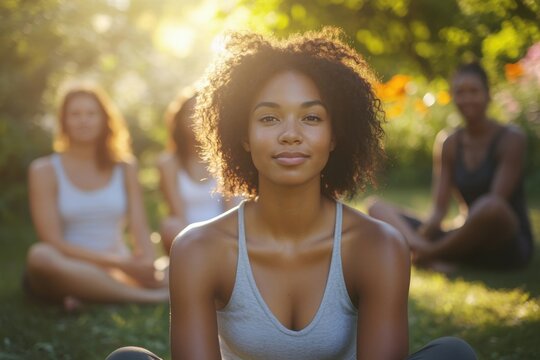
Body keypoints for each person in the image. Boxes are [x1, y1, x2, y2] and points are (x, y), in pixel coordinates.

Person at [106, 28, 476, 359]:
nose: (290, 133)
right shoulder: (198, 249)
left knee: (453, 354)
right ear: (243, 137)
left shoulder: (377, 245)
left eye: (311, 117)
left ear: (335, 136)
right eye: (269, 118)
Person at [368, 62, 534, 271]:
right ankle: (423, 248)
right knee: (376, 207)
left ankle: (428, 254)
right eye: (460, 93)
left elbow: (496, 202)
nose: (467, 99)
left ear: (488, 94)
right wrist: (423, 234)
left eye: (473, 91)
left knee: (490, 206)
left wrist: (436, 243)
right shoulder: (449, 142)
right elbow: (439, 210)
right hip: (461, 234)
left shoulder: (511, 138)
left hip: (502, 239)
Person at [25, 85, 168, 310]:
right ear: (64, 121)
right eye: (75, 114)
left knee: (174, 268)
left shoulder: (125, 166)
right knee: (40, 256)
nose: (84, 120)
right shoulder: (43, 170)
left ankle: (91, 295)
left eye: (91, 114)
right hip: (72, 267)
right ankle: (146, 298)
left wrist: (146, 266)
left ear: (104, 120)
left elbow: (139, 226)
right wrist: (122, 264)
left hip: (120, 267)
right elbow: (53, 241)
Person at [157, 89, 234, 254]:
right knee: (170, 225)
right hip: (186, 235)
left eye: (201, 112)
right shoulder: (168, 163)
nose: (195, 119)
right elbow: (177, 213)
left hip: (224, 234)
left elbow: (231, 211)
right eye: (189, 113)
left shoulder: (226, 158)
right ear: (179, 120)